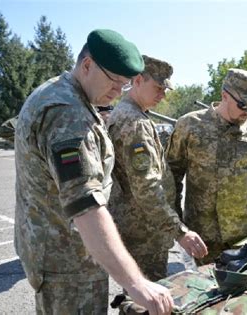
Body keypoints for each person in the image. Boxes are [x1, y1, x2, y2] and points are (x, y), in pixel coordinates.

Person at [14, 29, 173, 315]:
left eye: (124, 85)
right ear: (87, 65)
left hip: (64, 251)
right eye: (114, 81)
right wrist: (136, 283)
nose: (117, 92)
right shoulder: (67, 113)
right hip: (67, 263)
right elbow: (85, 205)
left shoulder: (64, 92)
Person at [165, 68, 247, 264]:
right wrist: (178, 227)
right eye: (243, 105)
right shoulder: (189, 126)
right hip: (202, 239)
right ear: (224, 96)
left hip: (243, 237)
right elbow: (170, 176)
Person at [107, 55, 207, 282]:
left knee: (137, 295)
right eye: (158, 88)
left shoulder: (126, 113)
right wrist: (180, 232)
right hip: (144, 231)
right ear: (138, 80)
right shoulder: (135, 123)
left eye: (165, 90)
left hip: (137, 224)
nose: (162, 95)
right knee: (149, 297)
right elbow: (146, 188)